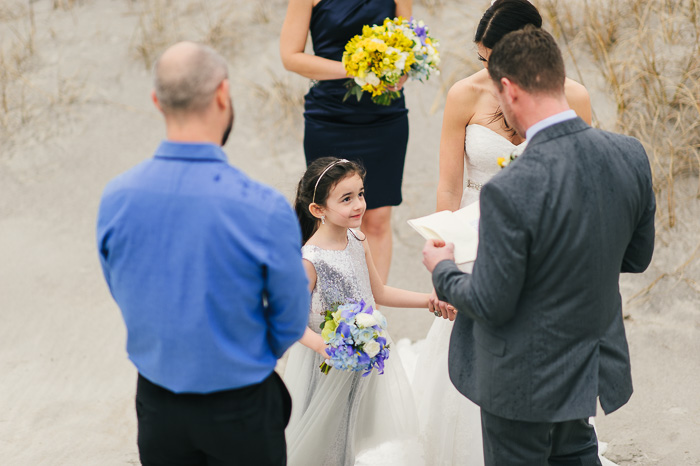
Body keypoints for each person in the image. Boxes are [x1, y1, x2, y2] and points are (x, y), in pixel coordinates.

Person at [422, 26, 656, 465]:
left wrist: (443, 267)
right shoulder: (631, 154)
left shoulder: (510, 189)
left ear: (508, 90)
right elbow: (637, 257)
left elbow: (490, 302)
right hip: (587, 361)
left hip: (520, 378)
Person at [96, 42, 310, 465]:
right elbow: (289, 317)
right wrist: (248, 354)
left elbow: (121, 287)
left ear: (157, 101)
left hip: (157, 403)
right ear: (222, 95)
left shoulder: (116, 196)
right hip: (242, 403)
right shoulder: (262, 207)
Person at [412, 2, 595, 464]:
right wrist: (443, 254)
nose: (490, 70)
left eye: (499, 57)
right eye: (483, 59)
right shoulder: (464, 95)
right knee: (471, 353)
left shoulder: (575, 97)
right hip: (475, 241)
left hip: (546, 247)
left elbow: (583, 185)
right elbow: (449, 183)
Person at [283, 157, 435, 466]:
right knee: (321, 437)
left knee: (349, 430)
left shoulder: (357, 239)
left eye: (361, 194)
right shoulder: (310, 259)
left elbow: (378, 293)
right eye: (346, 198)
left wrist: (429, 300)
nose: (359, 205)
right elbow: (290, 322)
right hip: (325, 364)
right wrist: (324, 347)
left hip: (361, 357)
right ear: (318, 209)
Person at [280, 0, 412, 285]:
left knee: (376, 219)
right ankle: (327, 310)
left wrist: (401, 72)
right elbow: (291, 57)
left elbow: (408, 47)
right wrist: (354, 68)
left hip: (384, 116)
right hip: (329, 117)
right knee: (328, 218)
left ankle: (371, 314)